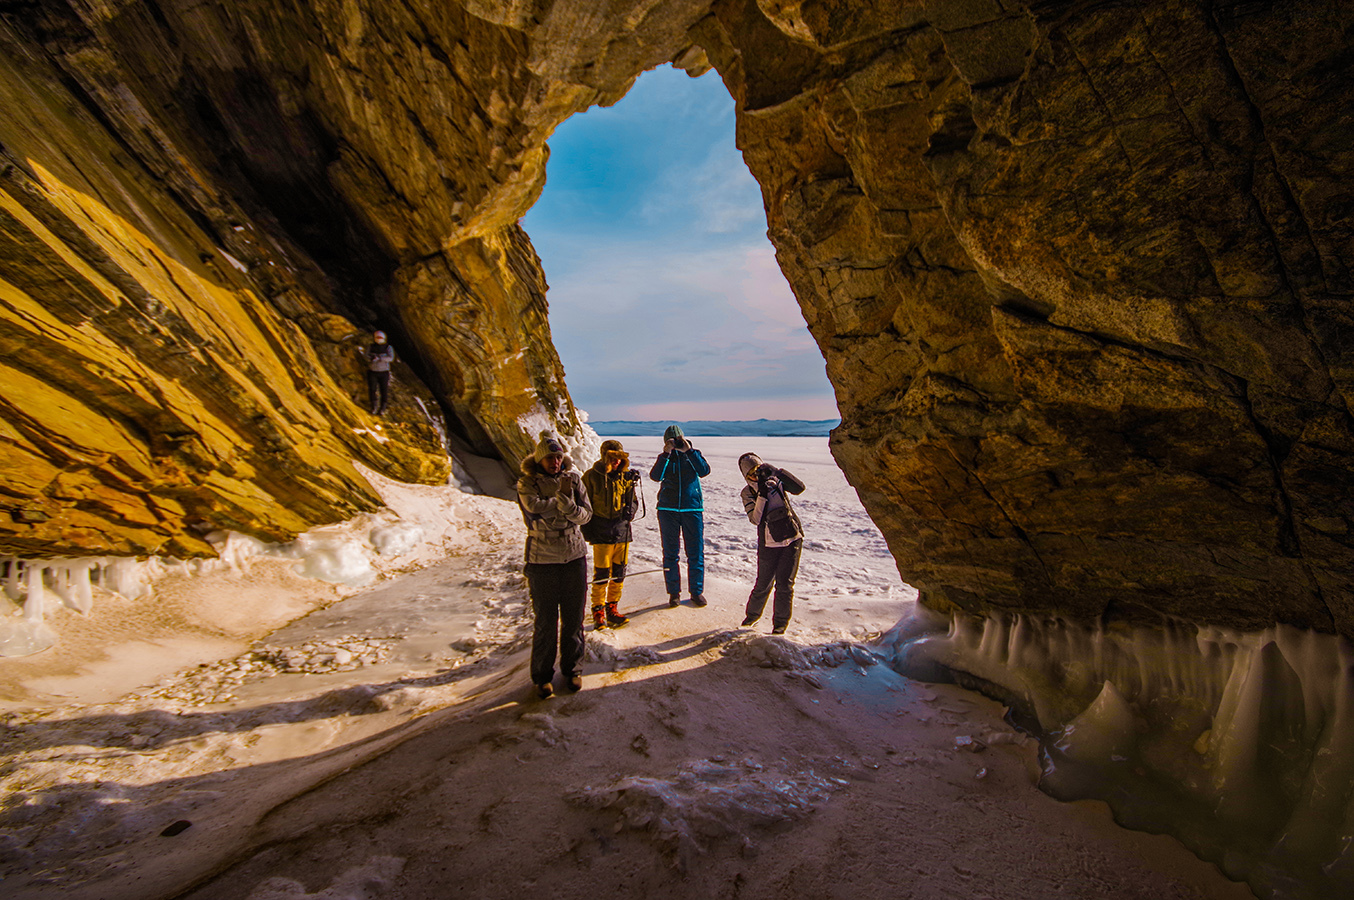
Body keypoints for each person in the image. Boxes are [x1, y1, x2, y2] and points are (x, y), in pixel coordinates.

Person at [517, 431, 593, 698]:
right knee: (546, 621)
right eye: (550, 458)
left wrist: (567, 508)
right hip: (542, 559)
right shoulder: (527, 482)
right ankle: (542, 677)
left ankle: (573, 670)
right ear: (540, 459)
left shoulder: (574, 479)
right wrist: (563, 503)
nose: (555, 462)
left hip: (573, 556)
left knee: (574, 618)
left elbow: (585, 515)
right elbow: (533, 507)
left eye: (558, 457)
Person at [738, 452, 806, 635]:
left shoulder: (777, 481)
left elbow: (800, 488)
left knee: (785, 584)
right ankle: (752, 617)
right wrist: (762, 492)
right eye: (751, 473)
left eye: (758, 469)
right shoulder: (747, 492)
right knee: (763, 583)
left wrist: (778, 473)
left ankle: (780, 624)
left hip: (792, 538)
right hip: (768, 543)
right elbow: (755, 518)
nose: (756, 475)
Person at [581, 440, 640, 630]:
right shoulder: (591, 477)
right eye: (612, 457)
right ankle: (598, 610)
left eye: (619, 457)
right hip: (602, 531)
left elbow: (634, 501)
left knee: (619, 574)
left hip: (622, 532)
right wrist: (588, 530)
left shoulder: (626, 477)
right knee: (602, 574)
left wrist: (630, 510)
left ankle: (612, 607)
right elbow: (584, 505)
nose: (616, 461)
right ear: (605, 456)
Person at [650, 424, 710, 607]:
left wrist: (689, 451)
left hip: (692, 509)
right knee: (670, 553)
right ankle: (674, 593)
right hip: (668, 510)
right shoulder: (665, 458)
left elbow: (704, 471)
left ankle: (696, 592)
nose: (675, 443)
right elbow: (656, 476)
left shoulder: (693, 454)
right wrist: (666, 454)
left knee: (695, 553)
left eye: (677, 439)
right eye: (671, 440)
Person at [366, 330, 395, 415]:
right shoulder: (371, 347)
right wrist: (371, 358)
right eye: (377, 337)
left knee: (384, 390)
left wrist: (380, 358)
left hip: (384, 372)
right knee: (372, 389)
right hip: (373, 371)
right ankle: (374, 406)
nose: (379, 339)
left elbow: (391, 358)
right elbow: (366, 355)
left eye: (380, 337)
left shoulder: (388, 347)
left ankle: (382, 408)